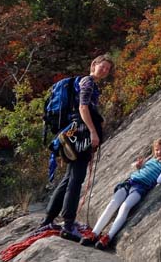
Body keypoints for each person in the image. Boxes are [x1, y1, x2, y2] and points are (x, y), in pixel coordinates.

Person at [39, 54, 114, 241]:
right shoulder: (88, 83)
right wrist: (93, 132)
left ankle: (48, 220)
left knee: (68, 178)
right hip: (80, 134)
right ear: (93, 65)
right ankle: (69, 223)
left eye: (107, 69)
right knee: (76, 178)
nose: (104, 70)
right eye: (102, 66)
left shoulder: (85, 82)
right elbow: (83, 108)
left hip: (72, 133)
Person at [80, 138, 161, 250]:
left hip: (140, 188)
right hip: (129, 183)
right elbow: (141, 170)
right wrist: (139, 166)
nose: (159, 152)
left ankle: (108, 237)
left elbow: (160, 180)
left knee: (125, 207)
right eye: (156, 149)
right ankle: (94, 233)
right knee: (112, 205)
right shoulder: (151, 161)